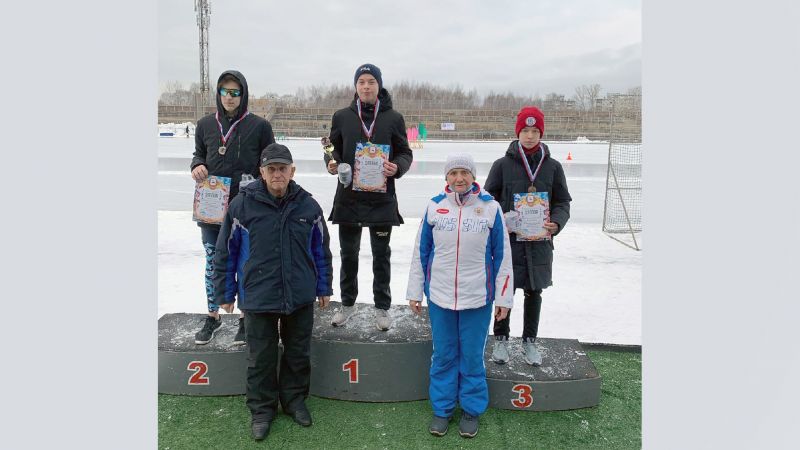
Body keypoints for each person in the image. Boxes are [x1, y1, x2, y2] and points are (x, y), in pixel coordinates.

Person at [213, 143, 333, 441]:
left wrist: (324, 286)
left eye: (283, 168)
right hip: (259, 295)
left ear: (292, 171)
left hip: (300, 294)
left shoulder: (309, 206)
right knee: (260, 357)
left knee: (297, 353)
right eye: (272, 169)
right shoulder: (242, 206)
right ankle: (262, 409)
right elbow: (225, 252)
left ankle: (293, 401)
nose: (277, 174)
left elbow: (321, 250)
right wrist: (225, 293)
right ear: (262, 173)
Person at [407, 153, 513, 438]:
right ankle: (442, 409)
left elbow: (502, 258)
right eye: (453, 173)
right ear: (446, 178)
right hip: (440, 295)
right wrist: (415, 291)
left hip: (478, 296)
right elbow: (421, 253)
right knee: (443, 355)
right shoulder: (435, 206)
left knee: (471, 357)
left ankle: (471, 409)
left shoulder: (490, 209)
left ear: (473, 177)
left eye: (464, 173)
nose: (459, 178)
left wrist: (504, 299)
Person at [324, 63, 413, 331]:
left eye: (371, 81)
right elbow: (331, 149)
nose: (366, 86)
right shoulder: (342, 116)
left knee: (381, 255)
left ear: (379, 86)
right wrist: (331, 162)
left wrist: (397, 167)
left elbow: (405, 153)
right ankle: (348, 303)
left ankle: (382, 307)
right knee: (348, 254)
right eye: (361, 81)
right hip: (349, 198)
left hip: (381, 200)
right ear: (355, 86)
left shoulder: (393, 118)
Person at [190, 70, 275, 345]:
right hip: (212, 209)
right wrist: (197, 165)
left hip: (246, 209)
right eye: (225, 91)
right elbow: (199, 154)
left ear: (244, 95)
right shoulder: (205, 125)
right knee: (214, 262)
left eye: (235, 92)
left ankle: (244, 318)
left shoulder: (259, 127)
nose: (229, 97)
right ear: (218, 94)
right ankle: (212, 316)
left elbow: (270, 161)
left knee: (245, 262)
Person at [484, 106, 572, 366]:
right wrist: (504, 220)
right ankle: (501, 339)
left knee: (534, 292)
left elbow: (563, 201)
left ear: (541, 133)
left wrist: (556, 222)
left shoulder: (553, 168)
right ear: (518, 132)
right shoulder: (502, 165)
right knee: (505, 290)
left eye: (535, 131)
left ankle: (530, 341)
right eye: (525, 130)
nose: (530, 136)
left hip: (540, 244)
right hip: (510, 243)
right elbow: (488, 201)